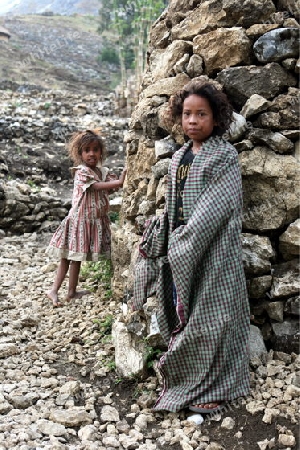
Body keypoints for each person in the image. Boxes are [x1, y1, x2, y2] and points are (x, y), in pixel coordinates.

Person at [133, 79, 250, 413]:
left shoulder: (224, 156)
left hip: (213, 251)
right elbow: (173, 207)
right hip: (180, 250)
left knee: (213, 320)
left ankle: (218, 385)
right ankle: (186, 378)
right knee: (186, 315)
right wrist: (167, 237)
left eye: (202, 114)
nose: (193, 121)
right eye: (187, 114)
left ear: (216, 118)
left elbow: (219, 206)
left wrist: (184, 244)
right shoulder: (178, 158)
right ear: (178, 118)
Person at [46, 129, 126, 307]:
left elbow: (108, 187)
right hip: (79, 221)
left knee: (76, 257)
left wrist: (116, 184)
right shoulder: (82, 172)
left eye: (95, 149)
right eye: (87, 150)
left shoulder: (101, 171)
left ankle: (72, 291)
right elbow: (96, 187)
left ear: (100, 152)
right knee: (67, 257)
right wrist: (119, 182)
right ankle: (54, 290)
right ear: (80, 154)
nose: (92, 153)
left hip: (91, 220)